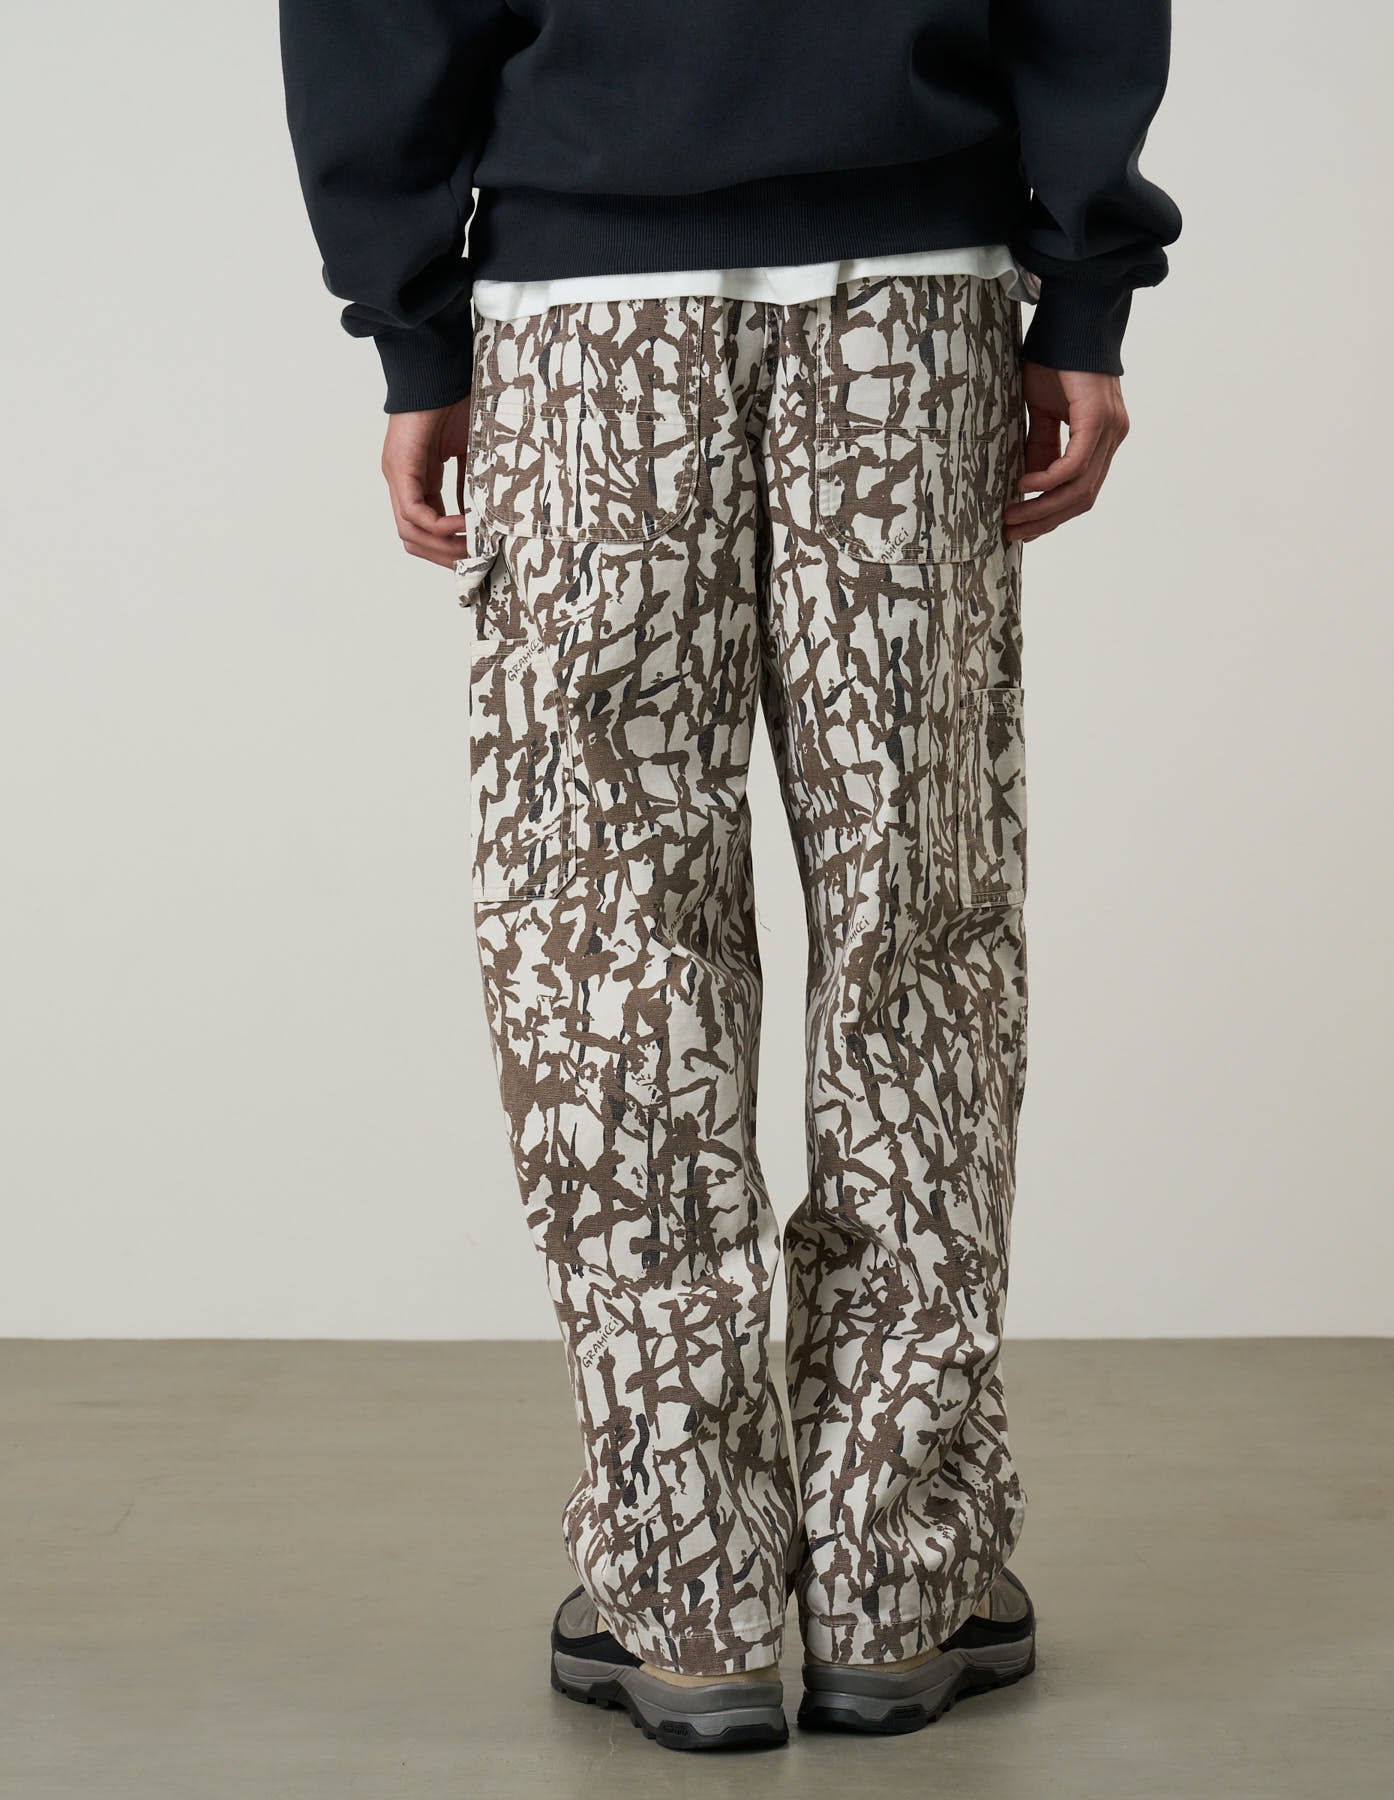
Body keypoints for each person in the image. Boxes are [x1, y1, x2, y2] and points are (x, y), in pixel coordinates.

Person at [280, 0, 1179, 1753]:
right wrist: (1083, 290)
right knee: (919, 922)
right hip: (911, 303)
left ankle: (684, 1583)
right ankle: (897, 1571)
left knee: (606, 937)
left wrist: (411, 324)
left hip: (585, 324)